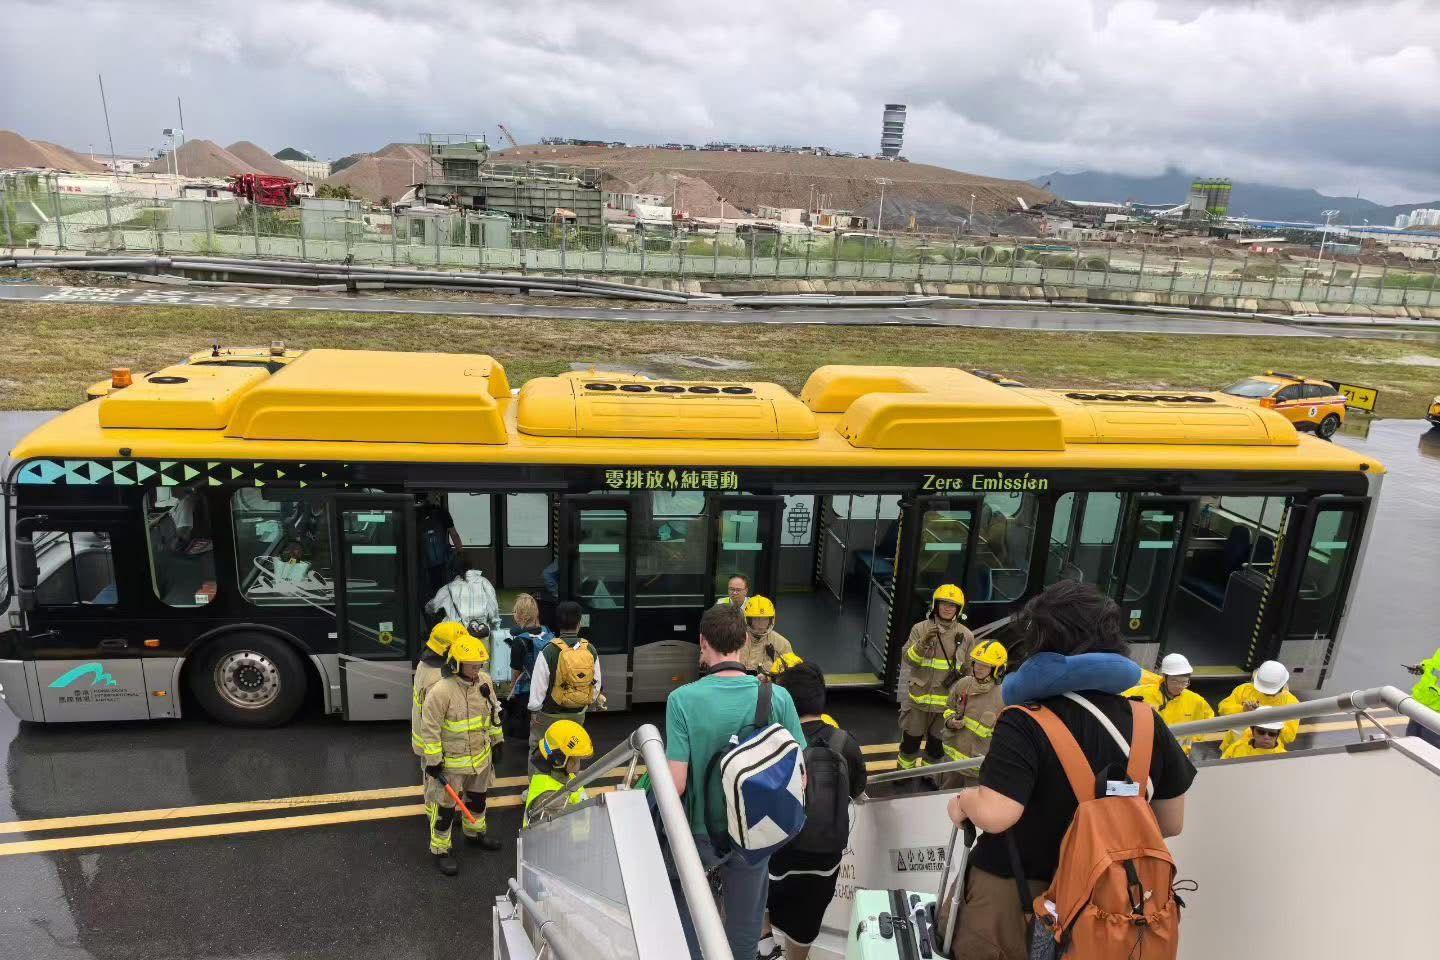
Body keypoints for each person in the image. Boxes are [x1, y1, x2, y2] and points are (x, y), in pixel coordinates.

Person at [945, 581, 1196, 960]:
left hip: (1017, 894)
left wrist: (964, 802)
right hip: (1103, 900)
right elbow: (1170, 822)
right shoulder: (1146, 721)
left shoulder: (1023, 721)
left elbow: (997, 814)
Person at [666, 605, 806, 960]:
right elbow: (800, 773)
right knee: (744, 930)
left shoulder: (682, 700)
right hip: (755, 830)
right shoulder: (777, 696)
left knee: (693, 912)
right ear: (744, 641)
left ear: (702, 642)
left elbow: (676, 784)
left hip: (702, 832)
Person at [761, 660, 867, 960]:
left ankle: (765, 944)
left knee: (760, 893)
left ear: (787, 702)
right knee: (808, 919)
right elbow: (858, 790)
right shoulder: (844, 742)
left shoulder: (775, 740)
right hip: (826, 857)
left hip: (780, 852)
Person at [418, 633, 505, 875]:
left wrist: (498, 741)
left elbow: (494, 714)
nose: (478, 669)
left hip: (480, 760)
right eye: (473, 664)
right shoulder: (441, 691)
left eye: (480, 664)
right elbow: (430, 728)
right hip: (451, 766)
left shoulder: (484, 682)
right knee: (445, 812)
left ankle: (474, 833)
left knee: (478, 802)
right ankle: (441, 850)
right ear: (456, 663)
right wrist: (433, 762)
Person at [898, 583, 975, 770]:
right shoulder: (920, 629)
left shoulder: (966, 636)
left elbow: (969, 672)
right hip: (918, 701)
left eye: (952, 605)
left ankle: (929, 775)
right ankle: (903, 774)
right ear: (935, 605)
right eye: (944, 603)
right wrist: (922, 643)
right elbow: (909, 659)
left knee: (936, 746)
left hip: (946, 706)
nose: (947, 608)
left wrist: (964, 704)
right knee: (910, 742)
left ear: (959, 609)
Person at [527, 601, 603, 768]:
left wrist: (534, 713)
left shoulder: (549, 650)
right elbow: (596, 685)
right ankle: (571, 790)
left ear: (558, 623)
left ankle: (538, 791)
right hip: (578, 713)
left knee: (540, 749)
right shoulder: (589, 649)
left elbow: (538, 688)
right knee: (573, 750)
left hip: (549, 713)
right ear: (580, 622)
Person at [938, 640, 1008, 784]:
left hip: (976, 771)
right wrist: (951, 721)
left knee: (968, 806)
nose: (978, 668)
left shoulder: (1004, 697)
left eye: (985, 665)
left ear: (998, 669)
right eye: (976, 663)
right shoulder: (963, 684)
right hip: (952, 763)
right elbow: (948, 708)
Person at [1124, 653, 1215, 754]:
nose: (1179, 686)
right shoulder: (1142, 693)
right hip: (1146, 751)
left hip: (1179, 754)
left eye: (1184, 682)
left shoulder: (1196, 701)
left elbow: (1208, 723)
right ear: (1164, 677)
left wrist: (1192, 740)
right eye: (1174, 681)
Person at [412, 621, 469, 760]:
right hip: (442, 751)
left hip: (426, 745)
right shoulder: (440, 680)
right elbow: (434, 723)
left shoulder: (423, 665)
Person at [523, 719, 593, 828]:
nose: (579, 765)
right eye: (576, 759)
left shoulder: (560, 776)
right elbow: (560, 836)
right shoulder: (552, 799)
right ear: (559, 760)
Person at [1217, 660, 1299, 752]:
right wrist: (1242, 710)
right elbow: (1223, 709)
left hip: (1265, 753)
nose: (1266, 693)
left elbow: (1289, 737)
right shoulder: (1244, 689)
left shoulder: (1291, 702)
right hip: (1234, 748)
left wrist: (1272, 722)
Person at [505, 593, 553, 736]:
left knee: (530, 730)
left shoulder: (519, 641)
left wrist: (511, 692)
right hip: (548, 689)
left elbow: (516, 672)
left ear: (518, 615)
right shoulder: (548, 633)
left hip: (528, 691)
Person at [426, 558, 500, 635]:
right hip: (480, 632)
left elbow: (432, 607)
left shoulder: (448, 588)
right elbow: (493, 607)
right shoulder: (484, 582)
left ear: (453, 571)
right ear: (472, 567)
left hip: (456, 633)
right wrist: (495, 626)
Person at [417, 492, 463, 595]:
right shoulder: (442, 513)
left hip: (420, 559)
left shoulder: (416, 512)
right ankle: (438, 607)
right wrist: (460, 552)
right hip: (439, 561)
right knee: (438, 586)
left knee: (422, 586)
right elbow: (454, 534)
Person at [737, 595, 793, 673]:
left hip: (767, 684)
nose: (761, 624)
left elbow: (790, 673)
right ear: (748, 620)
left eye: (765, 619)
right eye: (756, 619)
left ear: (771, 620)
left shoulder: (782, 644)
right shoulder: (735, 639)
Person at [1403, 645, 1440, 747]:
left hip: (1435, 717)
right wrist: (1421, 667)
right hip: (1419, 709)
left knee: (1430, 754)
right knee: (1410, 748)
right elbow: (1434, 665)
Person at [1221, 719, 1288, 759]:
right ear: (1252, 730)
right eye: (1261, 732)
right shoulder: (1236, 748)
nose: (1266, 736)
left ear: (1277, 735)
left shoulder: (1285, 757)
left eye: (1272, 734)